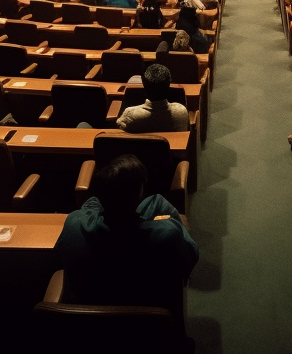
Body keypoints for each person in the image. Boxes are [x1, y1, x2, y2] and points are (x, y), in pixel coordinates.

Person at [55, 154, 198, 327]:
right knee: (159, 202)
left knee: (152, 201)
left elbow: (90, 207)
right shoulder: (166, 234)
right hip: (146, 327)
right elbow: (190, 257)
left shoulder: (74, 222)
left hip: (87, 329)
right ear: (139, 193)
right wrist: (176, 224)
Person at [117, 63, 190, 133]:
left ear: (144, 85)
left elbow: (120, 129)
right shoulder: (181, 111)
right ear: (169, 84)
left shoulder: (130, 115)